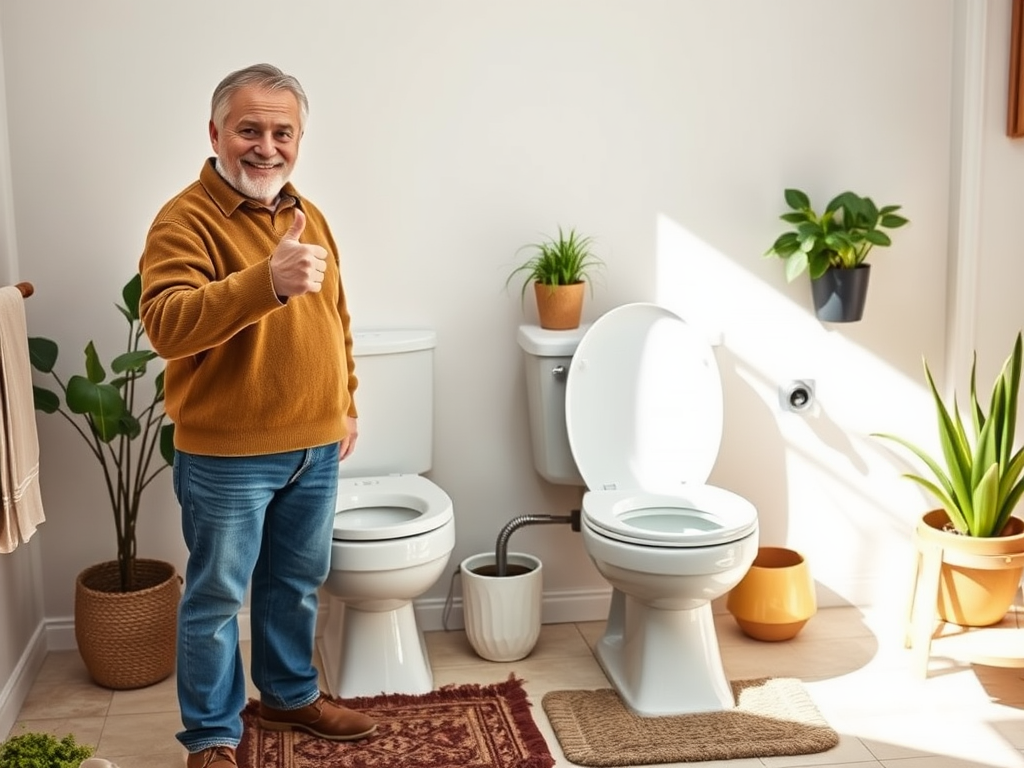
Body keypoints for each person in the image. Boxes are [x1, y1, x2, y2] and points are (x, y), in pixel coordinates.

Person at [139, 63, 376, 768]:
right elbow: (167, 323)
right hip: (227, 455)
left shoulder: (308, 211)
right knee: (216, 602)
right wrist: (263, 283)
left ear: (299, 139)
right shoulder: (185, 219)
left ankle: (289, 694)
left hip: (315, 444)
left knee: (294, 586)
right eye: (249, 129)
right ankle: (211, 736)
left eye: (282, 131)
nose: (266, 146)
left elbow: (337, 318)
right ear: (216, 133)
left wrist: (347, 404)